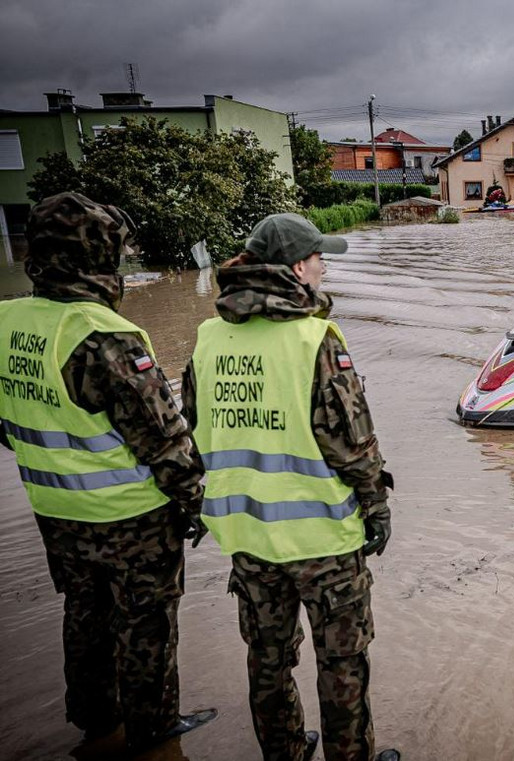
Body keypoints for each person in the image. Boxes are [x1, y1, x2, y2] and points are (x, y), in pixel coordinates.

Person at [0, 192, 216, 753]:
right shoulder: (103, 333)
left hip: (55, 511)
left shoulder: (5, 320)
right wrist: (194, 500)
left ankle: (95, 720)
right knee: (146, 626)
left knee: (84, 613)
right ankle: (154, 732)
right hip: (132, 515)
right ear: (100, 254)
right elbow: (163, 438)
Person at [182, 214, 398, 761]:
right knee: (341, 661)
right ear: (298, 268)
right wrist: (377, 509)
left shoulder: (209, 338)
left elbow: (187, 426)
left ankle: (284, 753)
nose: (325, 265)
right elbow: (352, 444)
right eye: (320, 257)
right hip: (321, 538)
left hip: (248, 537)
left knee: (268, 657)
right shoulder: (316, 338)